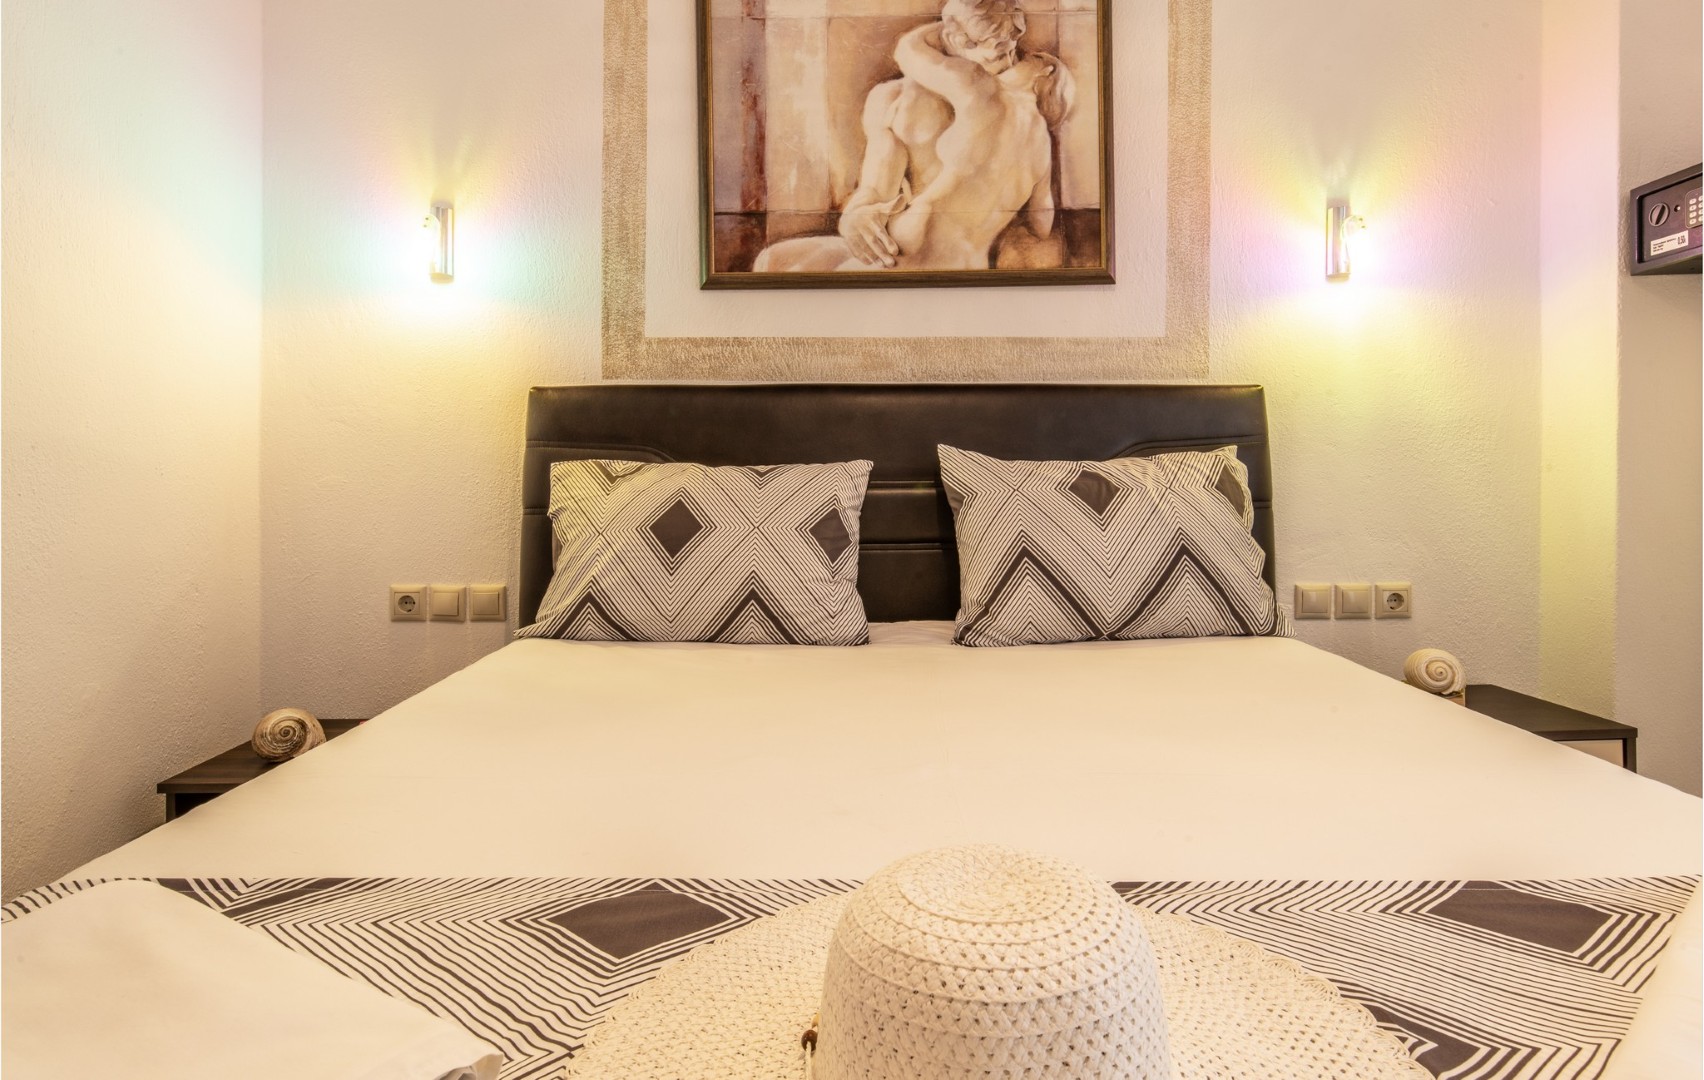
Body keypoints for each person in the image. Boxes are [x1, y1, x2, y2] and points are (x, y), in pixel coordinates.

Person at [751, 0, 1074, 273]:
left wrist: (953, 23)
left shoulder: (980, 89)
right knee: (774, 260)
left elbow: (908, 49)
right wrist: (857, 215)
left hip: (917, 253)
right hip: (941, 255)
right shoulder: (899, 97)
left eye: (1015, 52)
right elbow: (1041, 222)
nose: (1008, 59)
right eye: (999, 47)